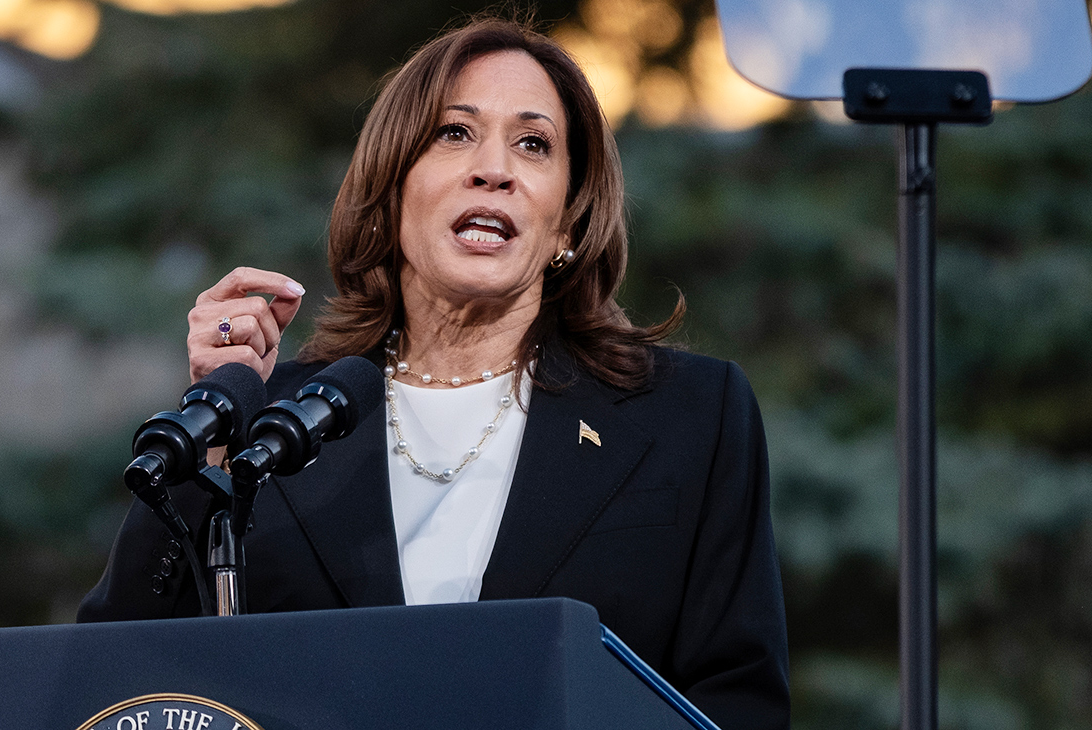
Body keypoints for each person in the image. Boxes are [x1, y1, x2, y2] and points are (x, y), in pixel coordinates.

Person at [80, 17, 789, 729]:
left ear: (568, 224)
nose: (495, 168)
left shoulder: (688, 414)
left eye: (534, 144)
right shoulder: (276, 424)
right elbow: (121, 682)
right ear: (393, 189)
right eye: (455, 133)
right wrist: (209, 444)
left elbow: (734, 700)